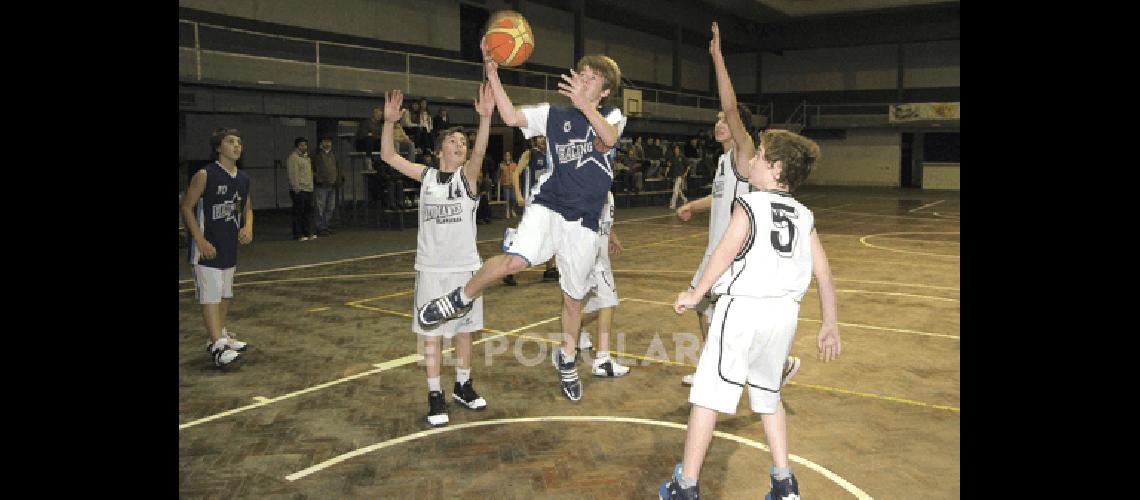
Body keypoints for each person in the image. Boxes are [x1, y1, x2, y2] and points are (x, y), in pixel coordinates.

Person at [658, 24, 840, 500]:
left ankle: (687, 485)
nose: (754, 156)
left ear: (775, 170)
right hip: (784, 316)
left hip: (742, 310)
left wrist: (695, 293)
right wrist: (830, 325)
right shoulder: (803, 215)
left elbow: (723, 251)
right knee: (769, 399)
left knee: (707, 398)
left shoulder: (752, 202)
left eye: (761, 154)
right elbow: (823, 272)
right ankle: (784, 481)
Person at [417, 43, 626, 403]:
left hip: (585, 222)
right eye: (583, 75)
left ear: (604, 90)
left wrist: (585, 105)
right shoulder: (554, 115)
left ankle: (569, 359)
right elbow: (511, 116)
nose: (585, 81)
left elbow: (607, 139)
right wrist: (493, 73)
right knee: (515, 260)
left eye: (594, 79)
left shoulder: (614, 115)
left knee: (573, 300)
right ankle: (459, 298)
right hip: (550, 205)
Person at [380, 84, 495, 428]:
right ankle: (435, 394)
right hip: (431, 269)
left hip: (465, 271)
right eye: (454, 141)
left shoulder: (468, 179)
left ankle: (463, 384)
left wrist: (486, 118)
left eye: (464, 142)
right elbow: (388, 156)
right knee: (431, 334)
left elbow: (479, 153)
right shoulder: (427, 176)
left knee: (463, 332)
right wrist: (388, 122)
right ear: (439, 148)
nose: (461, 145)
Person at [180, 128, 253, 368]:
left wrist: (248, 227)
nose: (236, 145)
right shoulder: (205, 174)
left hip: (228, 246)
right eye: (231, 141)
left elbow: (247, 209)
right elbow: (187, 207)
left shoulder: (243, 178)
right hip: (206, 247)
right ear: (218, 148)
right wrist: (199, 240)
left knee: (225, 293)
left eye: (239, 142)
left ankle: (220, 334)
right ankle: (217, 345)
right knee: (210, 294)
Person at [566, 191, 631, 377]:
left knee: (599, 304)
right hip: (592, 258)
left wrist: (612, 236)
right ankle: (603, 359)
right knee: (608, 302)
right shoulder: (589, 187)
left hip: (597, 257)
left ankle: (574, 329)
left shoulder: (606, 190)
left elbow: (605, 221)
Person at [503, 136, 559, 287]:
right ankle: (510, 270)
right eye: (539, 138)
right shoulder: (530, 154)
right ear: (534, 140)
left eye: (544, 137)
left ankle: (550, 269)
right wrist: (519, 195)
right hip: (533, 201)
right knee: (527, 236)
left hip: (548, 201)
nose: (542, 141)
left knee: (551, 233)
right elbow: (515, 174)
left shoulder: (552, 155)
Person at [286, 137, 317, 241]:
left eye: (305, 145)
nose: (304, 147)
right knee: (298, 213)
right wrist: (296, 188)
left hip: (308, 189)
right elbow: (293, 174)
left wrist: (311, 186)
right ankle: (298, 234)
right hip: (299, 190)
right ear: (297, 146)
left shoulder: (307, 157)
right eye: (301, 145)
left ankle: (308, 232)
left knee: (308, 213)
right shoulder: (293, 158)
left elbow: (310, 173)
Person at [312, 136, 341, 236]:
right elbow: (312, 168)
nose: (327, 144)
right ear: (321, 143)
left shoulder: (334, 155)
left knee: (330, 207)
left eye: (329, 141)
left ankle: (325, 226)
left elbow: (337, 167)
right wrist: (317, 178)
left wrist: (338, 180)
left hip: (332, 185)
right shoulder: (316, 155)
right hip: (320, 185)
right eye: (325, 141)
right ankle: (319, 227)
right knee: (320, 207)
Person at [498, 151, 519, 219]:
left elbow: (517, 175)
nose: (507, 157)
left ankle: (512, 210)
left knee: (513, 198)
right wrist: (499, 182)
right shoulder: (501, 165)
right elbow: (499, 175)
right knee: (507, 199)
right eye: (506, 155)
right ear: (504, 157)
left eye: (508, 155)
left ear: (510, 157)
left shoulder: (514, 165)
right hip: (505, 184)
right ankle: (507, 211)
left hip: (513, 184)